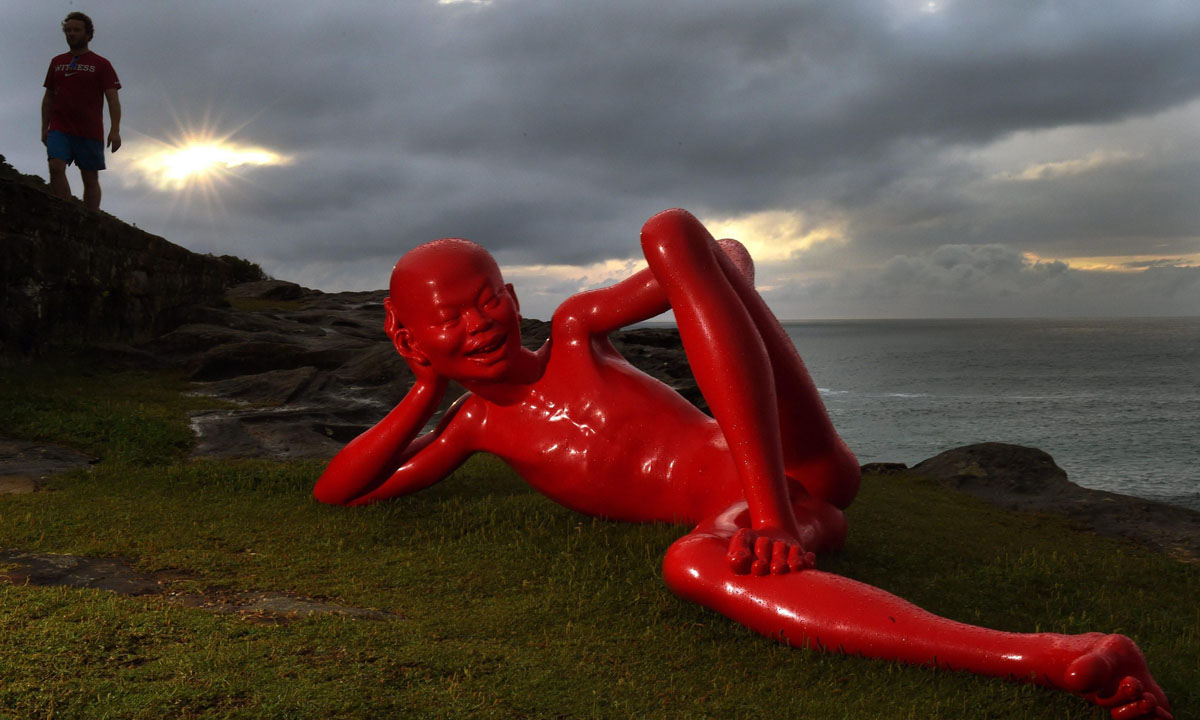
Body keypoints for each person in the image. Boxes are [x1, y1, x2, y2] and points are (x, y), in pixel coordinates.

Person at [315, 208, 1170, 719]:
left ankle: (767, 504)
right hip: (755, 519)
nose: (481, 322)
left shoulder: (577, 330)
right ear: (407, 336)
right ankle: (1058, 656)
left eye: (489, 296)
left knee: (672, 232)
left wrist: (719, 273)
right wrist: (424, 393)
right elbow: (341, 492)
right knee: (692, 555)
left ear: (511, 293)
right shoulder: (472, 429)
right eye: (449, 319)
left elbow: (686, 257)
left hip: (786, 469)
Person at [41, 11, 121, 212]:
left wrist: (115, 130)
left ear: (88, 34)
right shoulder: (57, 62)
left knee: (90, 178)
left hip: (89, 130)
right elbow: (49, 96)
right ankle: (66, 216)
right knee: (55, 168)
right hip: (59, 127)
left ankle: (91, 223)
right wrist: (45, 127)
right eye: (68, 30)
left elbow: (112, 98)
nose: (71, 34)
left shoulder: (102, 64)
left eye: (77, 30)